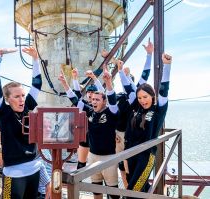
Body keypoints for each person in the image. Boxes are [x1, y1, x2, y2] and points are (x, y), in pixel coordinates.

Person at [0, 47, 49, 199]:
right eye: (17, 96)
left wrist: (35, 59)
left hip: (34, 171)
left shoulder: (27, 107)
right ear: (7, 99)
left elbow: (36, 84)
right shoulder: (4, 113)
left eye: (23, 95)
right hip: (13, 175)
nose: (22, 99)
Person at [59, 66, 119, 199]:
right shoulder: (90, 112)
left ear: (104, 102)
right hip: (92, 156)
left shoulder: (111, 112)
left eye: (97, 100)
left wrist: (108, 82)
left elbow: (113, 99)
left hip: (108, 158)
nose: (94, 102)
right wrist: (64, 83)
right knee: (96, 190)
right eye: (93, 100)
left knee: (113, 193)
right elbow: (75, 100)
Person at [118, 53, 172, 198]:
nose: (142, 100)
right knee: (140, 188)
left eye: (145, 97)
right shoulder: (136, 107)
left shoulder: (158, 109)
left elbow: (164, 89)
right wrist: (120, 71)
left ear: (152, 96)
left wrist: (167, 66)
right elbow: (128, 88)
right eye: (140, 97)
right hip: (130, 154)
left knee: (132, 191)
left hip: (146, 156)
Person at [115, 38, 154, 188]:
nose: (142, 99)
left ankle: (131, 192)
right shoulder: (128, 98)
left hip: (140, 146)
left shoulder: (138, 93)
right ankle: (128, 191)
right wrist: (120, 70)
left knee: (139, 181)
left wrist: (149, 55)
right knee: (127, 172)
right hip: (126, 140)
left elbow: (145, 73)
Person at [71, 68, 104, 169]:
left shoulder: (102, 105)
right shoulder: (84, 104)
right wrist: (75, 79)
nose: (90, 93)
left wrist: (94, 77)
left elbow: (103, 93)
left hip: (97, 138)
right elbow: (77, 95)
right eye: (88, 91)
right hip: (85, 137)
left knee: (98, 166)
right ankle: (78, 184)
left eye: (92, 92)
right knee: (81, 164)